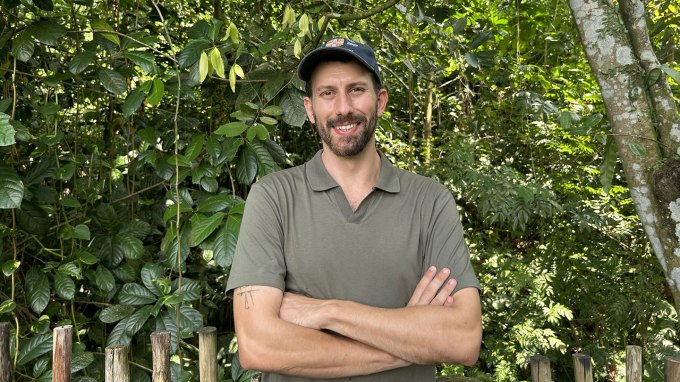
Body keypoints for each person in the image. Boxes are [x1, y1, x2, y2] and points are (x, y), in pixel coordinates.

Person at [226, 36, 482, 381]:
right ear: (309, 108)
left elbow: (462, 339)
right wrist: (411, 339)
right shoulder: (273, 197)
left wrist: (327, 312)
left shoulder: (430, 201)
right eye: (327, 93)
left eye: (356, 90)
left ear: (380, 101)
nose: (343, 108)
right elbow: (259, 346)